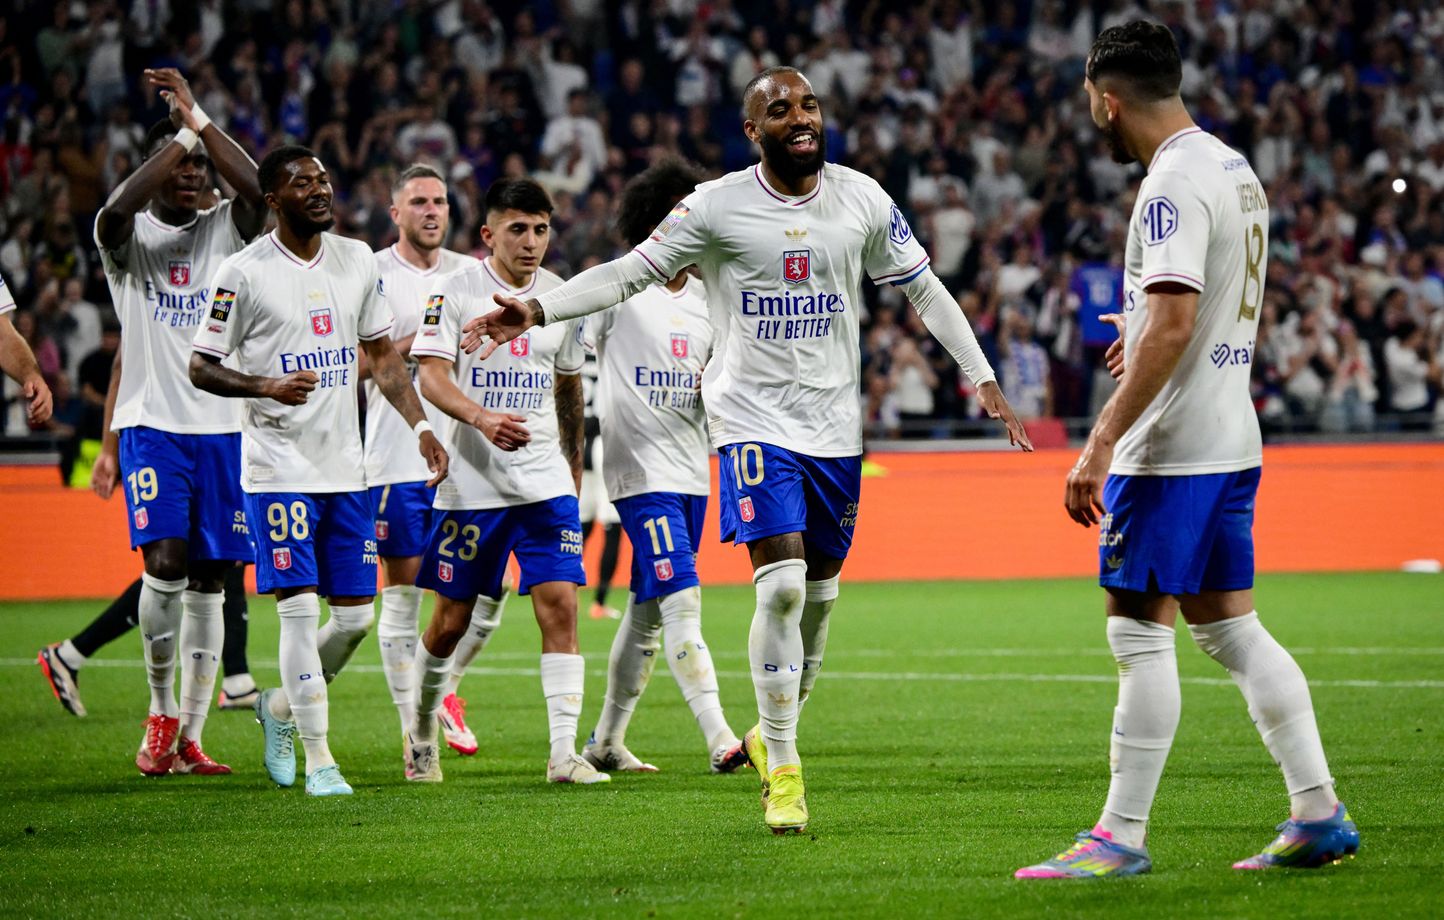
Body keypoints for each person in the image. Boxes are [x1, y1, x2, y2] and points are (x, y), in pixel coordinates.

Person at [466, 66, 1031, 833]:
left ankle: (766, 733)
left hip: (834, 428)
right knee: (783, 590)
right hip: (752, 422)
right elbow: (628, 273)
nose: (799, 118)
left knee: (821, 600)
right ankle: (787, 771)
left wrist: (982, 375)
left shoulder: (863, 198)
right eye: (779, 109)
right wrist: (534, 308)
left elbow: (923, 287)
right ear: (751, 130)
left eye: (808, 104)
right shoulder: (715, 206)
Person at [1016, 22, 1357, 879]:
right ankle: (1317, 811)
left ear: (1106, 96)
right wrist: (1150, 333)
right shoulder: (1232, 168)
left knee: (1137, 634)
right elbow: (1192, 312)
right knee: (1231, 630)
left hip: (1169, 450)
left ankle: (1119, 837)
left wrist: (1100, 441)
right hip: (1230, 434)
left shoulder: (1166, 186)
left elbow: (1172, 320)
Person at [190, 145, 449, 797]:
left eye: (325, 179)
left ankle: (279, 708)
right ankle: (319, 758)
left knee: (358, 620)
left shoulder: (356, 260)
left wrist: (421, 428)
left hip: (347, 472)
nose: (320, 190)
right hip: (277, 471)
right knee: (300, 615)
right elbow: (200, 365)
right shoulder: (242, 273)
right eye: (302, 183)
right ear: (271, 199)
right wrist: (263, 386)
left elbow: (384, 358)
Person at [86, 68, 265, 776]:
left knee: (214, 578)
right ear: (157, 169)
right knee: (164, 563)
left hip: (224, 428)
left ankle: (190, 734)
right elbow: (112, 211)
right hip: (154, 422)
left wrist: (202, 121)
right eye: (181, 164)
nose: (193, 175)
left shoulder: (227, 227)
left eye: (199, 165)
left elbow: (257, 191)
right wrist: (181, 134)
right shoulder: (124, 242)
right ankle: (160, 712)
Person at [406, 177, 602, 785]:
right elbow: (431, 378)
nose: (532, 241)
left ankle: (564, 756)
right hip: (473, 487)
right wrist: (482, 417)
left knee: (561, 609)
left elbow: (568, 383)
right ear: (489, 233)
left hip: (544, 484)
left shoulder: (560, 298)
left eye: (541, 229)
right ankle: (418, 728)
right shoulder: (453, 292)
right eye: (518, 229)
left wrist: (573, 461)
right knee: (450, 622)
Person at [580, 158, 747, 775]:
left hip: (689, 472)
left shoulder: (709, 299)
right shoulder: (620, 285)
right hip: (638, 472)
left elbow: (721, 379)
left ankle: (605, 742)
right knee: (682, 600)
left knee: (647, 611)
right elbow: (568, 359)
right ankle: (720, 737)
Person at [366, 163, 503, 762]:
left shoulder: (474, 275)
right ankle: (413, 731)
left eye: (440, 202)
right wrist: (422, 338)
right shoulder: (370, 273)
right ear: (394, 212)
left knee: (488, 599)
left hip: (472, 466)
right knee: (402, 601)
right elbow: (359, 359)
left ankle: (444, 687)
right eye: (418, 201)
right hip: (398, 458)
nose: (431, 211)